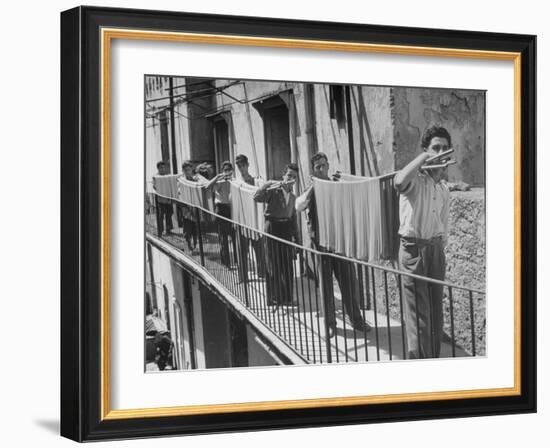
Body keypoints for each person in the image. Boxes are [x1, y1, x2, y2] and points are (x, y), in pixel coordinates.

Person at [295, 152, 370, 337]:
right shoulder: (310, 188)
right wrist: (314, 186)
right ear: (313, 170)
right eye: (317, 167)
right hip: (320, 245)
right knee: (326, 285)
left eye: (323, 165)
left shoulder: (338, 184)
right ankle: (330, 324)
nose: (321, 169)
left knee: (348, 282)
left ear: (328, 165)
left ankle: (356, 320)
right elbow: (299, 205)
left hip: (339, 244)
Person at [393, 125, 452, 359]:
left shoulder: (444, 189)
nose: (441, 152)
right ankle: (420, 367)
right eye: (435, 148)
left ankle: (433, 360)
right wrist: (424, 158)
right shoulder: (415, 181)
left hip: (435, 251)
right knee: (419, 318)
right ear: (426, 151)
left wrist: (439, 250)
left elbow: (443, 225)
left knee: (436, 314)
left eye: (445, 148)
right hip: (413, 250)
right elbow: (398, 182)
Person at [254, 163, 300, 309]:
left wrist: (296, 239)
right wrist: (269, 183)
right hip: (272, 227)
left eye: (294, 177)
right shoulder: (273, 191)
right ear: (283, 176)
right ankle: (273, 298)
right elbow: (257, 197)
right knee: (273, 264)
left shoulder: (293, 196)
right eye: (289, 175)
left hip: (286, 229)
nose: (291, 179)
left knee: (287, 265)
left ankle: (287, 298)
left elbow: (293, 218)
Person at [234, 154, 265, 281]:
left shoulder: (257, 182)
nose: (241, 168)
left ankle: (262, 273)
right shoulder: (237, 183)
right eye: (239, 166)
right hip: (242, 221)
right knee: (242, 250)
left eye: (243, 165)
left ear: (248, 165)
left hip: (255, 221)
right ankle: (243, 277)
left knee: (259, 248)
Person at [203, 161, 235, 266]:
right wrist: (217, 177)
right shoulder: (219, 182)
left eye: (229, 170)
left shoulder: (234, 181)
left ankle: (236, 261)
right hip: (221, 209)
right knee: (223, 237)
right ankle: (226, 263)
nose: (227, 172)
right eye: (225, 170)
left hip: (231, 209)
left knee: (234, 236)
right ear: (222, 171)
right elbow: (207, 187)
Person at [177, 160, 198, 251]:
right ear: (183, 171)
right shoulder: (181, 181)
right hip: (185, 208)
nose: (188, 172)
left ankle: (195, 245)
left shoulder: (194, 180)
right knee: (187, 228)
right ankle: (188, 246)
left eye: (189, 170)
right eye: (186, 170)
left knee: (195, 228)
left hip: (194, 206)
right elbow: (179, 193)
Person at [152, 160, 173, 236]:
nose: (163, 169)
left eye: (164, 167)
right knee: (161, 215)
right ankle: (160, 230)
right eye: (161, 168)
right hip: (160, 199)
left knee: (169, 214)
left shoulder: (168, 176)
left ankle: (168, 229)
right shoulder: (156, 177)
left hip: (168, 198)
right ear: (158, 168)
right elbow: (154, 186)